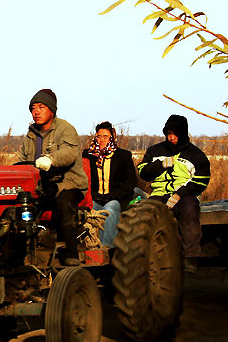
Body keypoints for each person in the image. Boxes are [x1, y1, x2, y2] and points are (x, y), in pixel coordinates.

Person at [19, 89, 89, 266]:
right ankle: (19, 252)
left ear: (52, 110)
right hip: (41, 186)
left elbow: (69, 153)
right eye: (33, 108)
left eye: (41, 107)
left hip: (68, 183)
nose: (36, 112)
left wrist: (51, 160)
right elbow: (23, 160)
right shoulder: (30, 135)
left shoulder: (65, 129)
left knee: (64, 203)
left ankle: (71, 252)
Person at [138, 114, 211, 255]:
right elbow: (143, 172)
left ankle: (190, 257)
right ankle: (145, 256)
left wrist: (179, 195)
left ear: (183, 134)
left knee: (189, 210)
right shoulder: (155, 151)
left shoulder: (196, 155)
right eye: (169, 134)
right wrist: (160, 165)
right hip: (159, 195)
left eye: (175, 134)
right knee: (146, 213)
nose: (171, 138)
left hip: (185, 196)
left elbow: (201, 180)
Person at [83, 121, 138, 247]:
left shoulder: (123, 156)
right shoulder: (89, 155)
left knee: (109, 210)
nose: (101, 140)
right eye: (99, 136)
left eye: (105, 137)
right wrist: (93, 194)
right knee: (85, 213)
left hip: (116, 198)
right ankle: (85, 246)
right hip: (96, 197)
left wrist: (113, 195)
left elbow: (130, 182)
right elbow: (84, 178)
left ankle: (106, 247)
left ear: (112, 138)